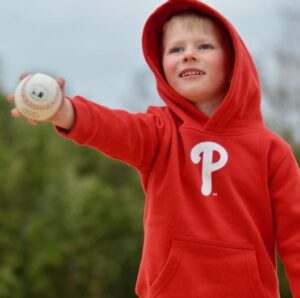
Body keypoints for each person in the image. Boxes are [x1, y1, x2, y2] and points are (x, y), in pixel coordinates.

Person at [7, 0, 300, 297]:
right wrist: (64, 110)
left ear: (234, 60)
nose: (188, 55)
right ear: (161, 66)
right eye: (175, 49)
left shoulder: (272, 152)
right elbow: (114, 128)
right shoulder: (158, 132)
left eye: (204, 46)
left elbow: (296, 238)